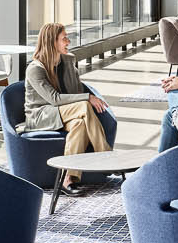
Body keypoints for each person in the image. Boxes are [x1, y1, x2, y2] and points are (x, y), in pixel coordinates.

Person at [22, 22, 111, 191]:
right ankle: (106, 156)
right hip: (40, 116)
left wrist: (69, 65)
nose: (68, 42)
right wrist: (88, 97)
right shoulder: (35, 68)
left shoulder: (64, 62)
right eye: (64, 39)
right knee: (85, 105)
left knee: (79, 124)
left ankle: (67, 177)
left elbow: (74, 91)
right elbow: (55, 99)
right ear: (51, 42)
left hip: (59, 114)